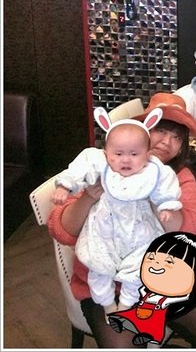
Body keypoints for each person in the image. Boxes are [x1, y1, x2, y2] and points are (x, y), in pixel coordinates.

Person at [48, 93, 196, 348]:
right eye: (161, 131)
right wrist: (89, 197)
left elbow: (190, 232)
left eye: (177, 137)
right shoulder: (103, 164)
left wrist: (158, 200)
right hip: (106, 285)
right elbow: (61, 230)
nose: (167, 142)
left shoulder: (176, 176)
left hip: (161, 279)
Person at [51, 107, 183, 319]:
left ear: (146, 153)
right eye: (119, 154)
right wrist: (65, 186)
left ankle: (126, 303)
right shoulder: (100, 165)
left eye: (134, 154)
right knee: (98, 263)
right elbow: (80, 169)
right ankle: (106, 303)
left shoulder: (156, 171)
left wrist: (166, 205)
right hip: (105, 227)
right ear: (106, 153)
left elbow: (167, 190)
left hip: (139, 231)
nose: (126, 160)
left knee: (140, 265)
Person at [107, 232, 196, 346]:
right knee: (124, 333)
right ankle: (122, 322)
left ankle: (148, 334)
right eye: (152, 258)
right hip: (109, 289)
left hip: (166, 289)